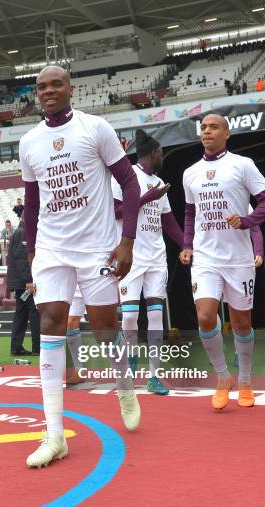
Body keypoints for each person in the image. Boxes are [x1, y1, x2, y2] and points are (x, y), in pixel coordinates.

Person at [20, 65, 141, 468]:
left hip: (98, 248)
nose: (48, 91)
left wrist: (127, 240)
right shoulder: (30, 141)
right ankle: (54, 434)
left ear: (71, 88)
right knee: (52, 324)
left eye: (56, 84)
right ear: (36, 94)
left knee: (105, 329)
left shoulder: (95, 128)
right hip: (52, 249)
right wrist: (33, 250)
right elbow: (32, 203)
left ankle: (123, 382)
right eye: (41, 87)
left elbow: (129, 183)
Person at [180, 113, 265, 410]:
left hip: (238, 258)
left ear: (227, 134)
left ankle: (246, 380)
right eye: (204, 128)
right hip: (205, 257)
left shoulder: (242, 165)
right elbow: (189, 214)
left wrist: (246, 221)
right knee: (206, 316)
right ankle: (223, 377)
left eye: (214, 127)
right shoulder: (190, 173)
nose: (207, 132)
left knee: (242, 322)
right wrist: (187, 245)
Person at [112, 129, 184, 395]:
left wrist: (187, 245)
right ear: (154, 153)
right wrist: (146, 198)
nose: (163, 155)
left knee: (155, 315)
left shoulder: (160, 181)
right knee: (130, 317)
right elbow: (115, 211)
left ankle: (154, 375)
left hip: (156, 258)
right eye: (161, 152)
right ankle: (129, 363)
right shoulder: (126, 176)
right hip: (130, 255)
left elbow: (168, 222)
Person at [7, 213, 40, 356]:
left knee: (21, 313)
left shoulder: (20, 232)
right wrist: (29, 280)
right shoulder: (23, 233)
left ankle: (16, 346)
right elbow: (21, 259)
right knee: (33, 311)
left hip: (20, 282)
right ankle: (37, 347)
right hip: (24, 282)